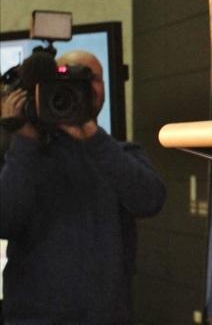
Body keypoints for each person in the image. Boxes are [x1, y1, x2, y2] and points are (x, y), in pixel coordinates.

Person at [0, 50, 166, 324]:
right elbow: (4, 221)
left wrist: (91, 135)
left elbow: (150, 200)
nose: (80, 87)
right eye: (67, 78)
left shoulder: (122, 153)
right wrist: (25, 142)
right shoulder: (23, 155)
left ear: (103, 90)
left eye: (90, 78)